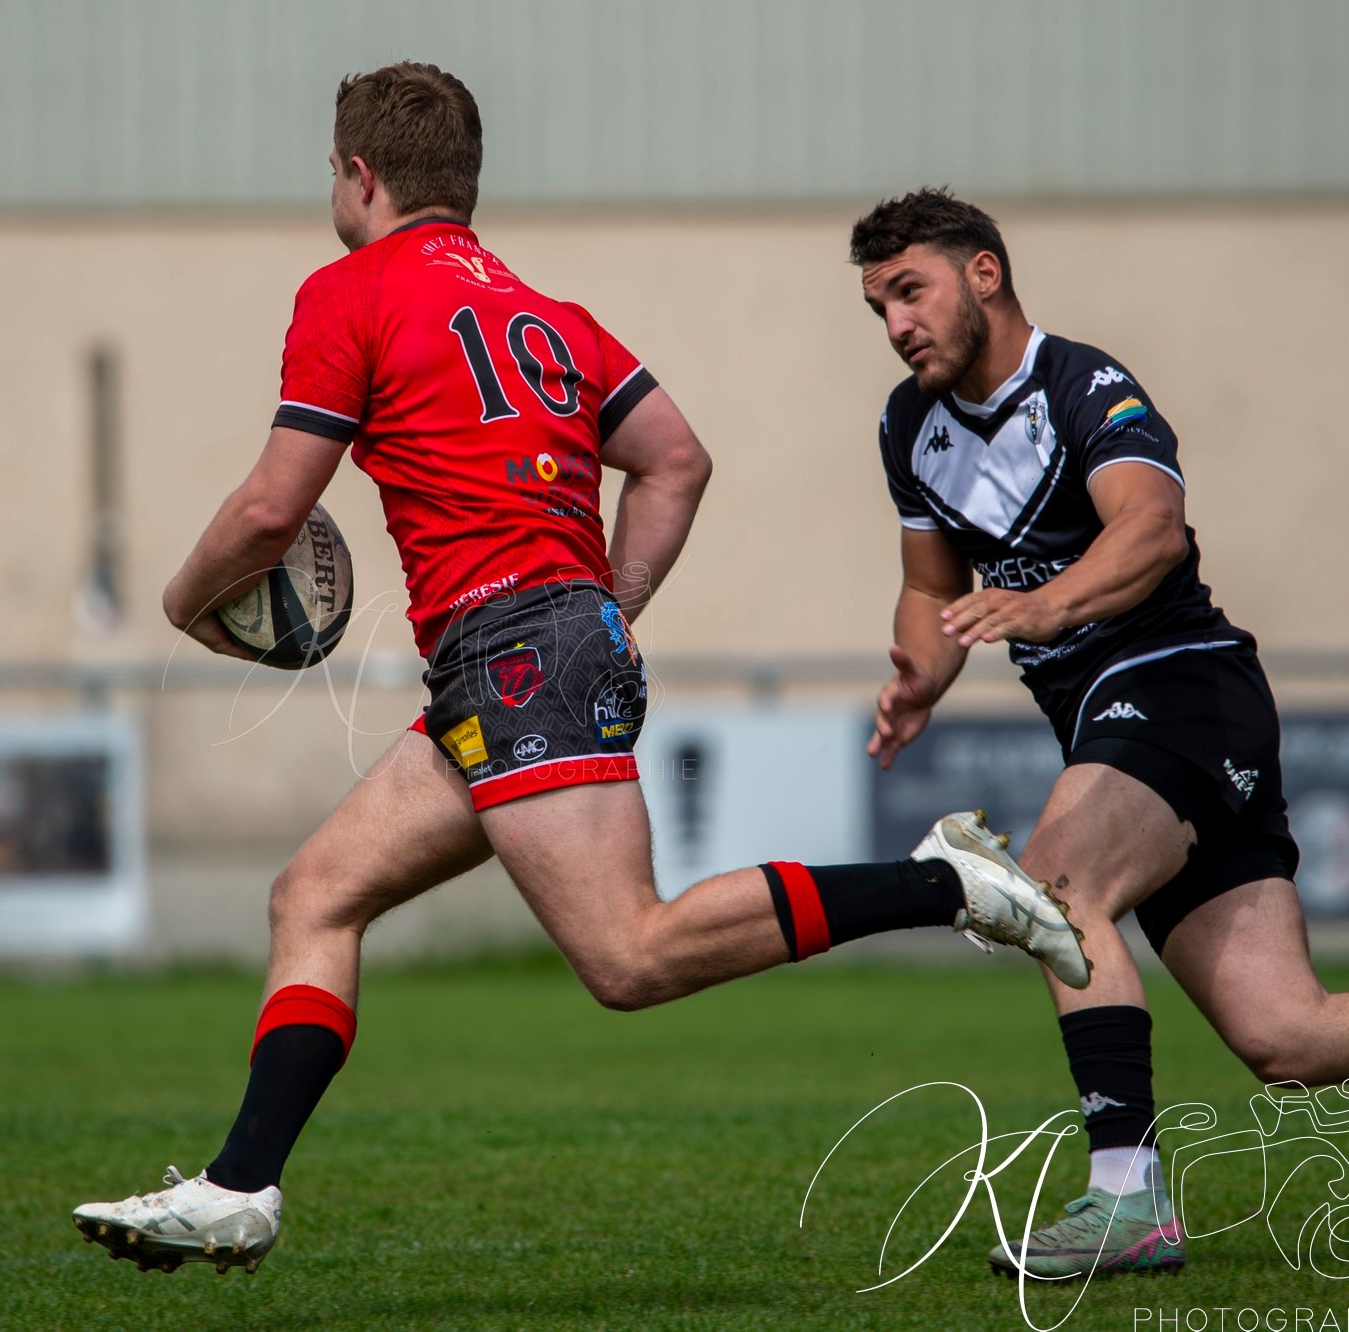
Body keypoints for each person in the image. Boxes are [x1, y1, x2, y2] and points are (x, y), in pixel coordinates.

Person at [70, 67, 1088, 1277]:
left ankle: (946, 886)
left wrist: (186, 606)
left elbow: (267, 510)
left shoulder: (347, 291)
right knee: (314, 895)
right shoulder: (546, 312)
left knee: (629, 956)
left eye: (333, 175)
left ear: (358, 177)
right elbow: (677, 459)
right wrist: (605, 608)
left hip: (518, 656)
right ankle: (241, 1186)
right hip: (519, 654)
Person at [851, 188, 1349, 1279]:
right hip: (1124, 725)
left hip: (1183, 689)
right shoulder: (906, 427)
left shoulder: (1085, 384)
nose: (897, 324)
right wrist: (918, 673)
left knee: (1059, 887)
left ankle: (1129, 1200)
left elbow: (1152, 531)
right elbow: (928, 591)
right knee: (1287, 1038)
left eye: (910, 291)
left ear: (984, 274)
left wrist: (1045, 604)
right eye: (879, 306)